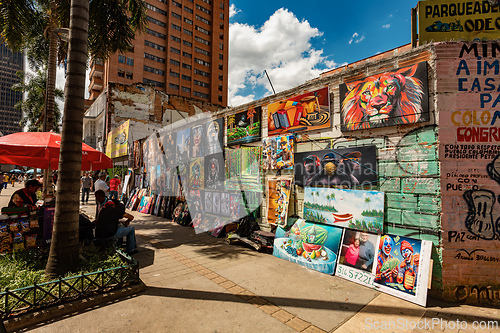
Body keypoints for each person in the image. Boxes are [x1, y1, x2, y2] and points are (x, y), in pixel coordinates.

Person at [94, 190, 137, 254]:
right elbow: (131, 217)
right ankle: (130, 249)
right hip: (109, 234)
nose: (97, 199)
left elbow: (108, 220)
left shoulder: (103, 211)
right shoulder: (116, 210)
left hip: (99, 234)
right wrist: (127, 221)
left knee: (120, 227)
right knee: (131, 230)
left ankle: (119, 245)